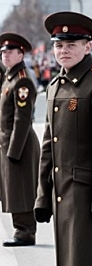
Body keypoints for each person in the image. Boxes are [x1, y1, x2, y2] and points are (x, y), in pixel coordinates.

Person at [34, 11, 92, 266]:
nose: (64, 51)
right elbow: (48, 145)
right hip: (62, 193)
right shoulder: (55, 86)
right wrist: (43, 196)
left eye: (71, 45)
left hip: (89, 196)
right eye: (59, 45)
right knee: (71, 262)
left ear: (87, 47)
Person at [0, 33, 40, 247]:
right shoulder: (10, 76)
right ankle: (21, 229)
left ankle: (25, 232)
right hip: (9, 141)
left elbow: (22, 120)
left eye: (10, 52)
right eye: (3, 52)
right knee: (14, 188)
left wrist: (14, 151)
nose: (5, 55)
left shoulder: (22, 80)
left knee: (22, 188)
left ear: (20, 53)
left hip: (20, 142)